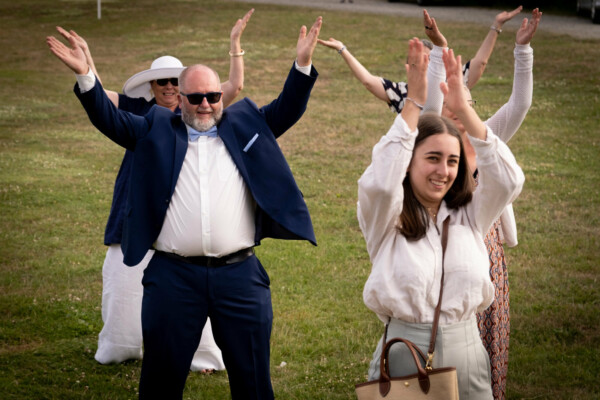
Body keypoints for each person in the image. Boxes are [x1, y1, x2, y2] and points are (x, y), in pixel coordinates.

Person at [47, 15, 322, 399]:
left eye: (213, 96)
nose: (206, 104)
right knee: (161, 381)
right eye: (196, 98)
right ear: (181, 99)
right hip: (173, 278)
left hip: (239, 276)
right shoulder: (155, 128)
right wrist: (86, 76)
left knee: (254, 380)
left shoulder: (245, 123)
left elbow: (289, 107)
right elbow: (108, 118)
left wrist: (302, 65)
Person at [54, 8, 254, 374]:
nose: (168, 87)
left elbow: (234, 88)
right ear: (151, 86)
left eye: (174, 81)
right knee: (124, 275)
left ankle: (200, 353)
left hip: (183, 207)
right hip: (136, 196)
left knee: (194, 270)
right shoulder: (138, 110)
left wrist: (234, 45)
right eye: (161, 81)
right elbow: (99, 99)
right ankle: (122, 344)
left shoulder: (199, 110)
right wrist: (87, 64)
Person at [357, 37, 524, 399]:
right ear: (410, 160)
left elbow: (510, 179)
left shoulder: (471, 213)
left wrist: (465, 111)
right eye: (432, 158)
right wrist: (413, 105)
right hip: (404, 351)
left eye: (451, 161)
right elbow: (381, 183)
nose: (443, 172)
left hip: (468, 350)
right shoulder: (387, 216)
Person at [421, 8, 541, 399]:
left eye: (465, 103)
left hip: (487, 259)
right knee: (444, 348)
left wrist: (521, 49)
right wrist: (439, 49)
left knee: (488, 350)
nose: (457, 111)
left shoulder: (490, 135)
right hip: (446, 258)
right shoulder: (437, 152)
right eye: (450, 107)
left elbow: (520, 104)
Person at [317, 6, 523, 113]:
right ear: (409, 67)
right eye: (419, 60)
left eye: (430, 59)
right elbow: (369, 81)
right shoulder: (402, 93)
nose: (425, 65)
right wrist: (342, 49)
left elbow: (480, 63)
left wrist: (496, 26)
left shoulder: (451, 85)